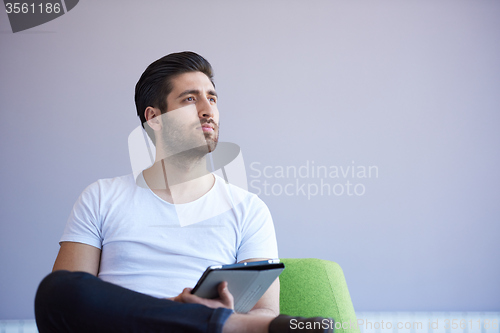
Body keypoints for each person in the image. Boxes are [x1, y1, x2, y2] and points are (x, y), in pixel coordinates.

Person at [34, 51, 333, 333]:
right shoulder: (101, 197)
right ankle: (213, 322)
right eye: (190, 99)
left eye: (212, 98)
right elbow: (69, 301)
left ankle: (214, 322)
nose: (207, 110)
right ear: (154, 118)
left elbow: (266, 315)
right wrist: (190, 316)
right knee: (56, 289)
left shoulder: (249, 209)